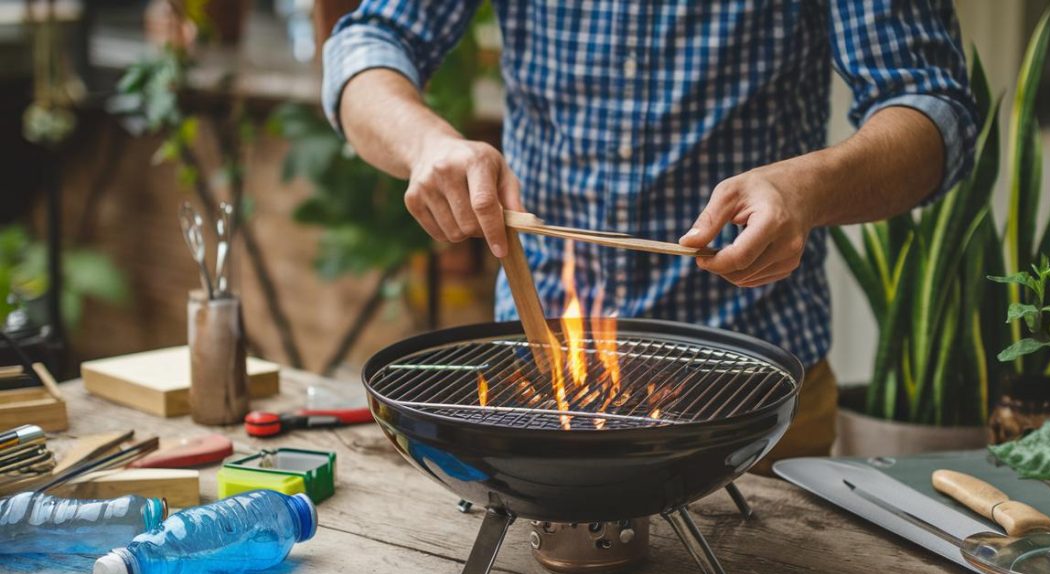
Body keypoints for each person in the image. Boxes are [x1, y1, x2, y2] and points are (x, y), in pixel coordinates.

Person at [323, 1, 978, 471]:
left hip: (753, 410)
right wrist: (426, 144)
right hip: (543, 403)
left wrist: (805, 190)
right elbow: (367, 43)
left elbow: (934, 107)